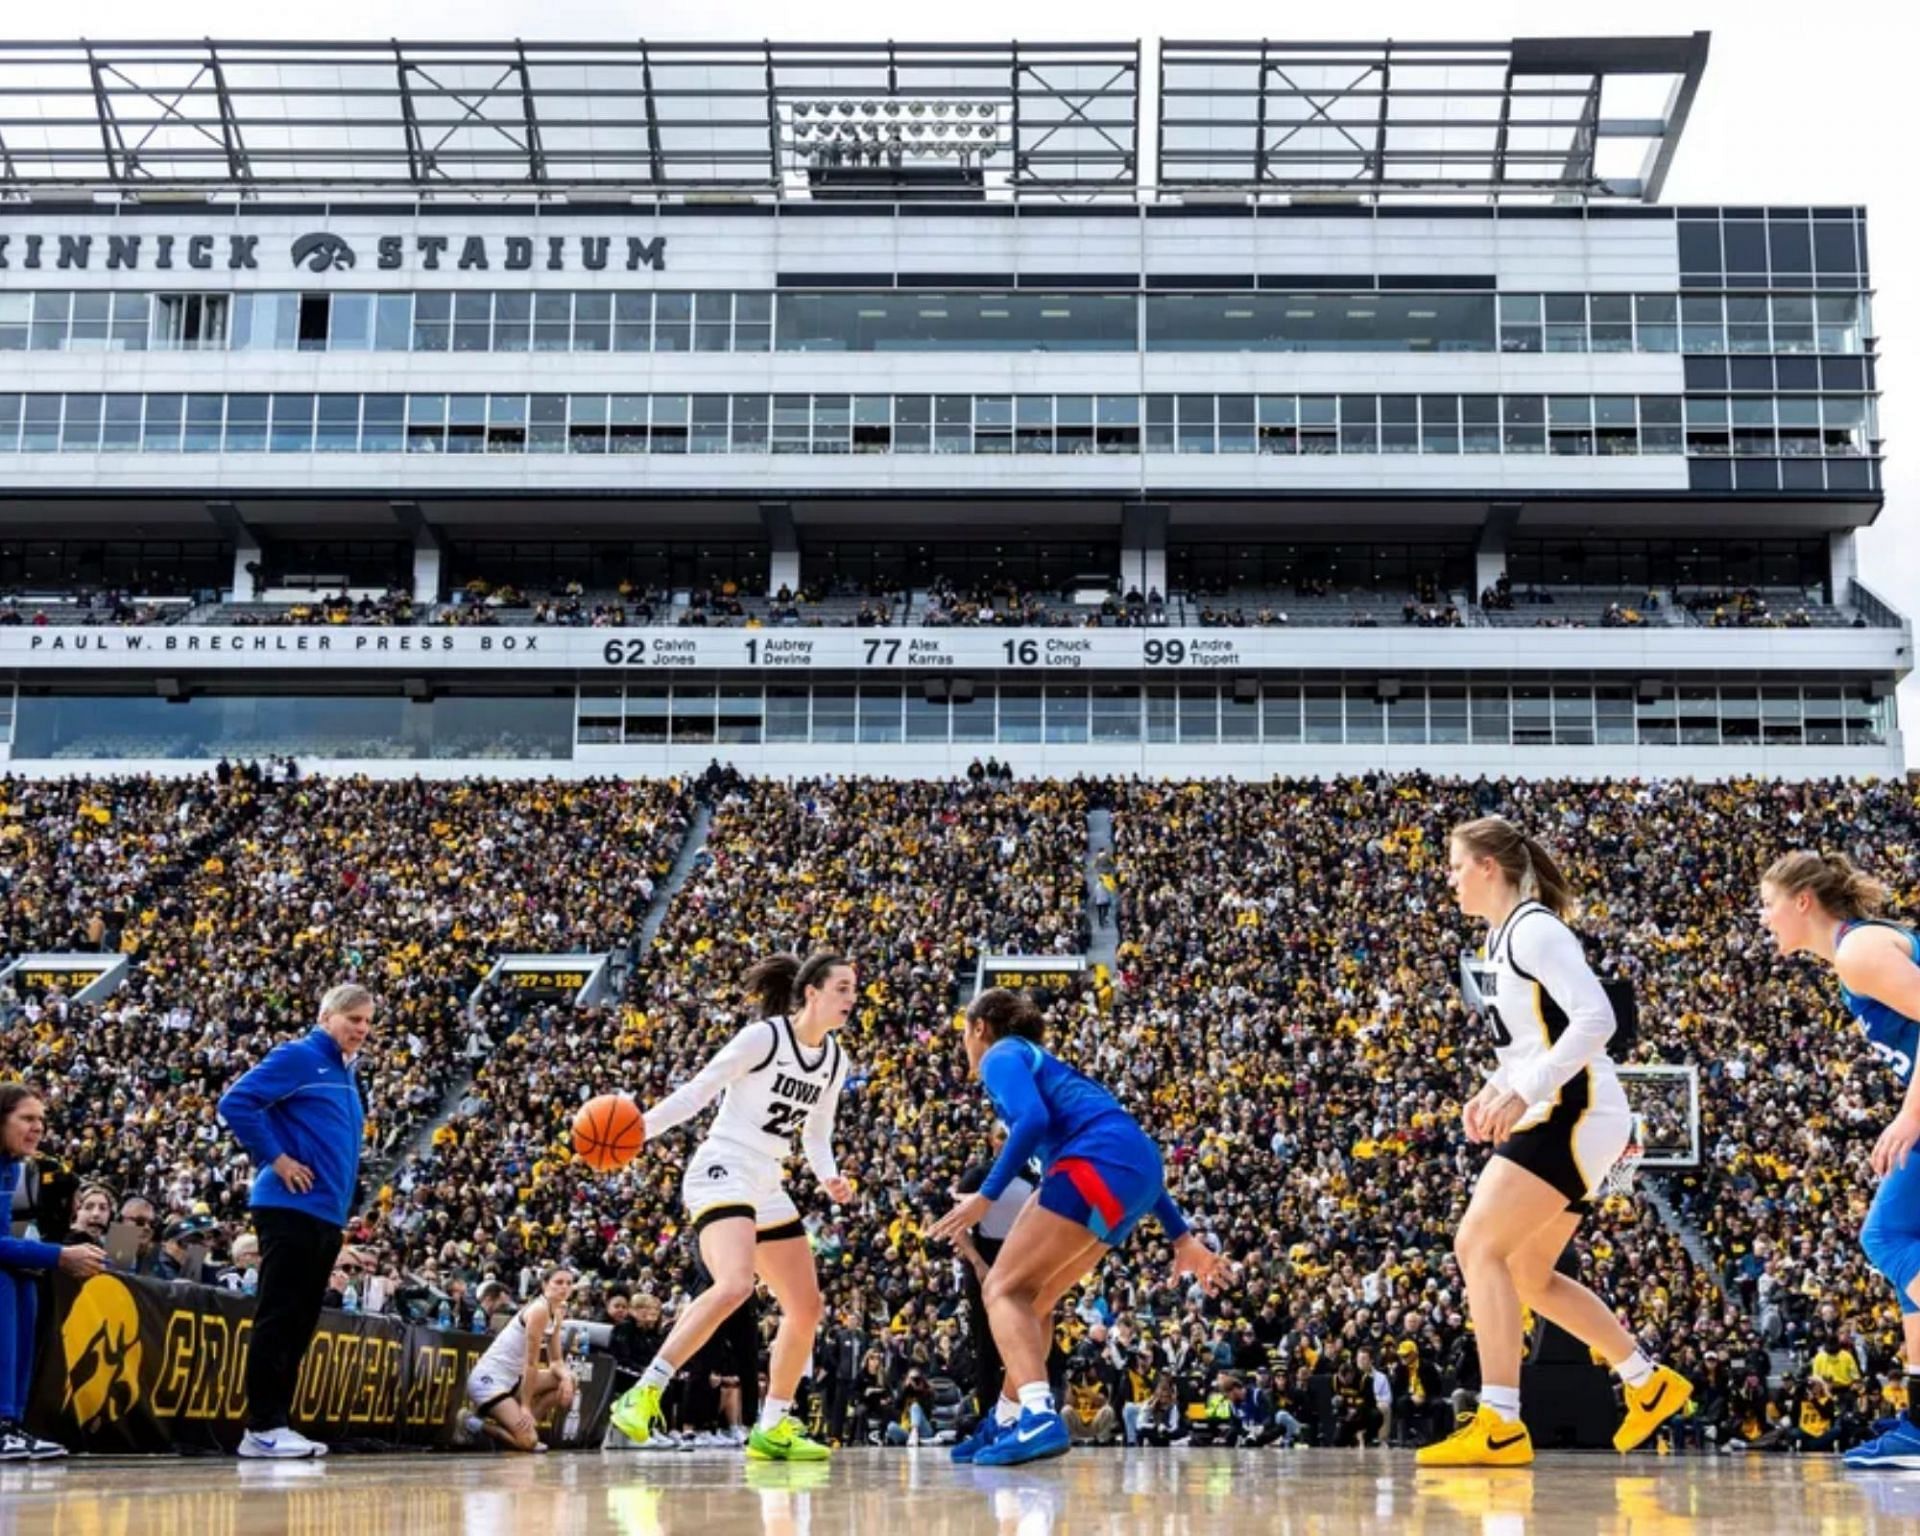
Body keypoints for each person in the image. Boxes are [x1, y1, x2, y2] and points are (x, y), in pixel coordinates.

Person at [1419, 817, 1690, 1467]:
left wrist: (1524, 1091)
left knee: (1476, 1244)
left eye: (1456, 866)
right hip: (1575, 1111)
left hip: (1576, 1108)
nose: (1449, 878)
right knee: (1528, 1275)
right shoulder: (1501, 935)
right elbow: (1530, 1043)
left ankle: (1501, 1424)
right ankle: (1646, 1382)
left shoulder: (1535, 928)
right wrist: (1493, 1088)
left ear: (1488, 866)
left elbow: (1598, 1016)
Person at [930, 988, 1229, 1467]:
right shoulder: (1055, 1069)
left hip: (1091, 1162)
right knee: (1035, 1300)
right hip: (1135, 1172)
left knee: (1001, 1291)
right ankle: (1008, 1417)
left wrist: (986, 1195)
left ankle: (1038, 1416)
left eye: (963, 1035)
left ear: (979, 1027)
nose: (964, 1045)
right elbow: (1136, 1156)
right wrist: (1180, 1235)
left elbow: (1031, 1120)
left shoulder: (1000, 1054)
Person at [608, 951, 855, 1462]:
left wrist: (829, 1174)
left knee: (806, 1307)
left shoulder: (835, 1060)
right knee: (737, 1284)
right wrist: (638, 1131)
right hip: (723, 1166)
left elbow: (817, 1132)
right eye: (843, 988)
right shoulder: (764, 1037)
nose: (852, 999)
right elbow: (700, 1091)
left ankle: (772, 1426)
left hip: (766, 1179)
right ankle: (645, 1391)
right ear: (811, 992)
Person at [1759, 850, 1920, 1469]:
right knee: (1905, 1240)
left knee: (1884, 1237)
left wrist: (1908, 1115)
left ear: (1803, 901)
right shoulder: (1859, 950)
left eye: (1770, 904)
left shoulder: (1858, 952)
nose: (1765, 918)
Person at [216, 982, 373, 1459]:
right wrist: (277, 1159)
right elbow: (235, 1103)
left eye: (367, 1022)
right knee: (280, 1316)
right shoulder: (302, 1056)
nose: (361, 1030)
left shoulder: (346, 1073)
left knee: (301, 1321)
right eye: (353, 1020)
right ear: (327, 1017)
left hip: (323, 1212)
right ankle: (261, 1425)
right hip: (288, 1206)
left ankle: (276, 1423)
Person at [1, 1084, 105, 1461]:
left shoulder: (13, 1167)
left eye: (42, 1120)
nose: (38, 1128)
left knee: (24, 1276)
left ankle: (10, 1423)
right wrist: (58, 1255)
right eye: (27, 1118)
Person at [464, 1266, 578, 1452]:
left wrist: (565, 1378)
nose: (564, 1287)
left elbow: (556, 1361)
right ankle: (473, 1423)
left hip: (513, 1380)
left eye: (569, 1283)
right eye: (558, 1282)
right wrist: (524, 1406)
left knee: (570, 1379)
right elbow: (530, 1363)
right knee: (528, 1443)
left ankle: (527, 1427)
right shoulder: (539, 1310)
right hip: (489, 1381)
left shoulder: (557, 1313)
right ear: (544, 1285)